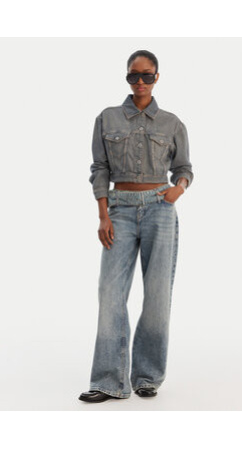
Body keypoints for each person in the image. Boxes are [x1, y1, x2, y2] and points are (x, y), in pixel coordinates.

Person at [79, 50, 194, 403]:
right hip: (120, 210)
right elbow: (100, 168)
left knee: (157, 295)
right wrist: (103, 214)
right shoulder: (107, 118)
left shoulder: (172, 123)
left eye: (146, 75)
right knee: (110, 293)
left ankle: (147, 376)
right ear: (127, 77)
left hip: (161, 209)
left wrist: (178, 189)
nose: (140, 81)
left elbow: (184, 168)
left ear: (156, 77)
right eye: (133, 75)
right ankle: (109, 380)